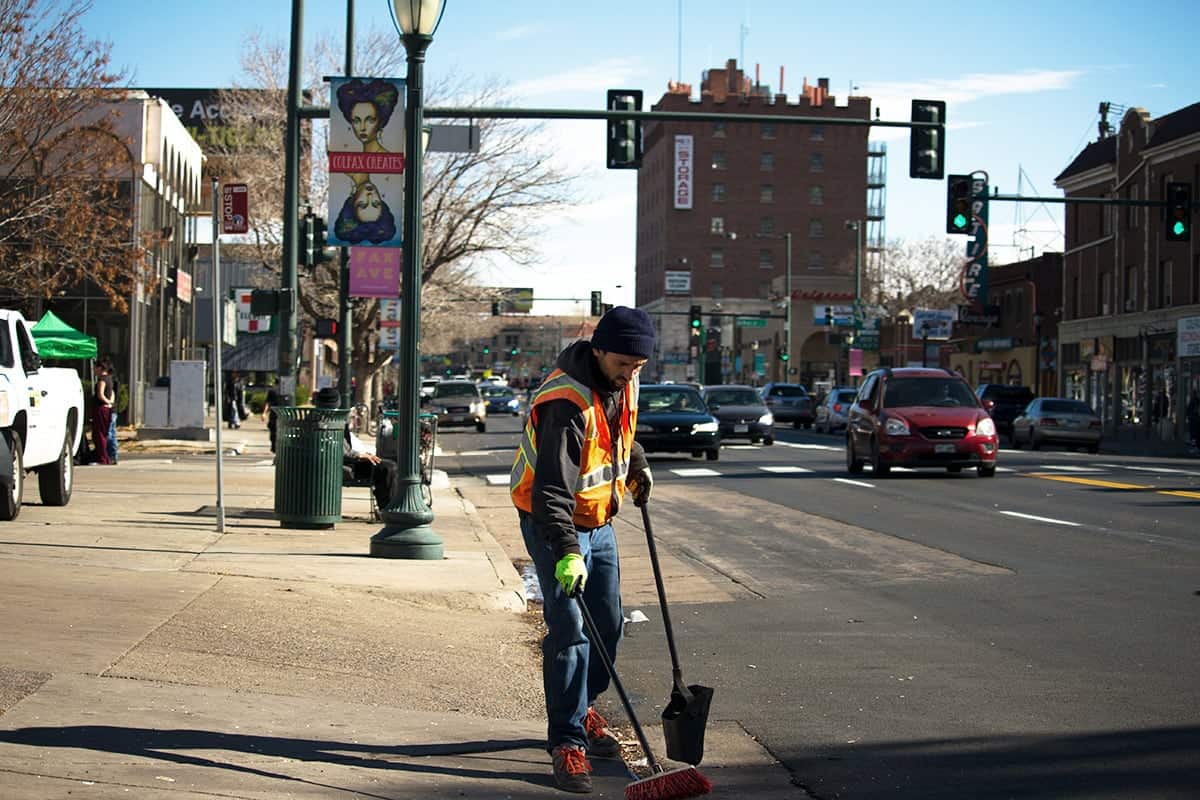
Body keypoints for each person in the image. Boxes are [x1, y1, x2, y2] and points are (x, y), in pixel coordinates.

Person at [510, 306, 655, 794]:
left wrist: (636, 464)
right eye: (624, 363)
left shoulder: (624, 380)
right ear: (598, 350)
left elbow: (619, 431)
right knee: (570, 630)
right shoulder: (565, 403)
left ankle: (583, 706)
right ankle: (567, 743)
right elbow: (552, 490)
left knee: (608, 624)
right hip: (554, 526)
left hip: (600, 521)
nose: (631, 372)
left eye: (639, 365)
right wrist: (568, 551)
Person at [315, 387, 396, 509]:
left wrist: (361, 454)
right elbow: (339, 451)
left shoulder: (311, 419)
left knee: (387, 466)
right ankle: (388, 508)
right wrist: (359, 455)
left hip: (331, 462)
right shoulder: (332, 422)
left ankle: (388, 506)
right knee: (388, 468)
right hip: (340, 465)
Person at [91, 362, 115, 465]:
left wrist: (106, 401)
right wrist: (110, 402)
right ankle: (106, 457)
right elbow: (112, 393)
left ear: (100, 368)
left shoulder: (102, 380)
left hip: (101, 409)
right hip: (107, 409)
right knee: (104, 433)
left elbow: (100, 394)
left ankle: (102, 458)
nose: (94, 371)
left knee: (99, 434)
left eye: (95, 368)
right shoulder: (109, 379)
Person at [102, 357, 120, 464]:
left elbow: (112, 395)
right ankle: (113, 455)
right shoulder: (113, 381)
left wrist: (109, 402)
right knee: (112, 433)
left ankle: (112, 455)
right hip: (113, 409)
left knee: (110, 433)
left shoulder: (110, 381)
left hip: (111, 409)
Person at [262, 385, 281, 453]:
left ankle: (274, 447)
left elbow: (267, 403)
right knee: (274, 430)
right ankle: (275, 447)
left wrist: (264, 413)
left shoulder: (272, 391)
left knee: (273, 431)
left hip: (274, 415)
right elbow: (268, 403)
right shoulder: (286, 392)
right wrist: (264, 413)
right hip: (277, 415)